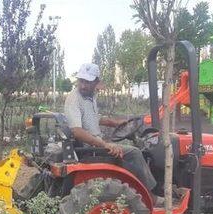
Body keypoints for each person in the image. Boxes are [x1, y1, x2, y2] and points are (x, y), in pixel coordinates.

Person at [64, 63, 158, 195]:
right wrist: (105, 144)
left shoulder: (90, 97)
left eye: (87, 82)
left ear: (96, 82)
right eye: (81, 81)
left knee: (125, 150)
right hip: (90, 149)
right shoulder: (75, 99)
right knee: (135, 153)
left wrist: (116, 123)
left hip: (94, 145)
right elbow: (77, 131)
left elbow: (94, 118)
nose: (83, 85)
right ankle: (150, 194)